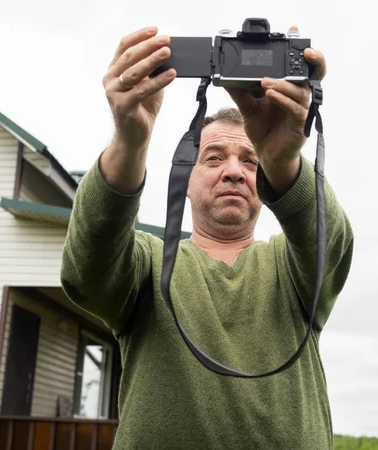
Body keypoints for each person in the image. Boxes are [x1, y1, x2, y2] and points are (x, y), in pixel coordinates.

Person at [61, 25, 354, 450]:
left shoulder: (291, 268)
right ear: (187, 176)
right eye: (213, 157)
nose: (234, 170)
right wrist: (129, 139)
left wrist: (284, 156)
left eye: (251, 161)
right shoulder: (146, 264)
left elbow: (331, 242)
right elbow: (86, 270)